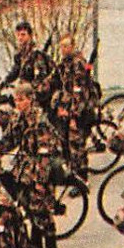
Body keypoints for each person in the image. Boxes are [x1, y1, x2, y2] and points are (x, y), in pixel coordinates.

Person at [0, 81, 62, 248]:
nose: (18, 104)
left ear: (30, 99)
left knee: (43, 214)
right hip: (25, 169)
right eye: (16, 100)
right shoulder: (20, 117)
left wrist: (41, 181)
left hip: (40, 170)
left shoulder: (39, 121)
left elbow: (45, 154)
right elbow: (9, 139)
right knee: (28, 208)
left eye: (21, 100)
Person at [46, 35, 100, 176]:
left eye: (66, 46)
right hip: (68, 104)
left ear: (72, 46)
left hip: (81, 106)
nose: (63, 49)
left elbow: (79, 92)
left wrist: (73, 116)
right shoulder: (65, 62)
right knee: (64, 139)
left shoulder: (78, 64)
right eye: (61, 46)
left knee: (76, 143)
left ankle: (82, 177)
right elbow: (54, 78)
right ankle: (71, 170)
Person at [1, 21, 51, 93]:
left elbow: (40, 77)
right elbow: (15, 71)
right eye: (18, 35)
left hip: (38, 92)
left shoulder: (37, 53)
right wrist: (4, 82)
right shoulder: (19, 55)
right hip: (24, 90)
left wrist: (27, 88)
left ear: (30, 36)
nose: (20, 38)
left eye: (23, 35)